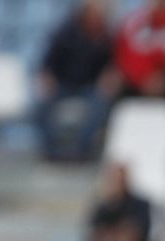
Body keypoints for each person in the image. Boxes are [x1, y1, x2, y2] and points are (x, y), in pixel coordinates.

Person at [37, 0, 119, 162]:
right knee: (40, 106)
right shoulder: (66, 31)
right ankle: (51, 151)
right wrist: (47, 78)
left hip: (89, 86)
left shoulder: (106, 36)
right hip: (63, 84)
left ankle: (82, 150)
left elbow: (111, 64)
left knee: (101, 105)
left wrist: (108, 78)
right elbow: (49, 62)